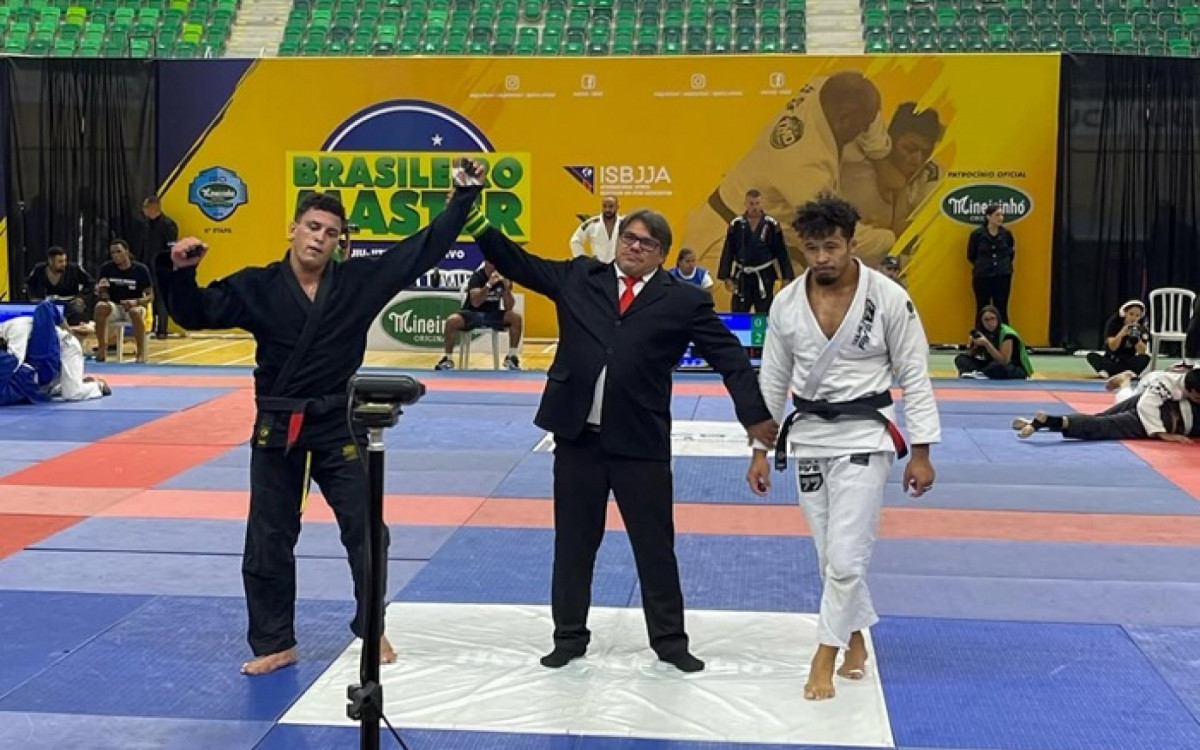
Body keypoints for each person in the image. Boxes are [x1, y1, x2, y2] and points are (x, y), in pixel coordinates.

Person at [157, 160, 486, 676]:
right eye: (312, 227)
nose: (319, 238)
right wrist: (180, 271)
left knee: (368, 531)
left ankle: (372, 628)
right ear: (293, 229)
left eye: (331, 233)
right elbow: (194, 313)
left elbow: (422, 248)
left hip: (337, 422)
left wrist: (463, 197)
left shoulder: (359, 282)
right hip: (279, 425)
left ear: (339, 242)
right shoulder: (257, 286)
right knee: (269, 536)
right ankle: (275, 641)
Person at [463, 201, 778, 673]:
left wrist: (754, 419)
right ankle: (569, 637)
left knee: (654, 546)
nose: (635, 247)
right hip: (578, 440)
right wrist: (473, 216)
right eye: (629, 238)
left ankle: (669, 641)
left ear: (662, 254)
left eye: (647, 243)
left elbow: (730, 358)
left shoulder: (683, 300)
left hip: (640, 441)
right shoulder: (579, 277)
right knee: (573, 544)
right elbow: (518, 262)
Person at [746, 195, 939, 701]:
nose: (822, 258)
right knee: (828, 552)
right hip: (809, 434)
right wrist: (759, 449)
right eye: (812, 249)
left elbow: (915, 374)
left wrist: (921, 450)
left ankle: (824, 654)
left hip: (865, 433)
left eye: (831, 247)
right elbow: (773, 379)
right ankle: (855, 638)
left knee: (848, 558)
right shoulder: (787, 302)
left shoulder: (889, 298)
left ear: (852, 243)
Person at [1013, 367, 1200, 443]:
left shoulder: (1191, 385)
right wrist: (1163, 434)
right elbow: (1145, 406)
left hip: (1161, 407)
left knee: (1100, 419)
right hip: (1148, 395)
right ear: (1190, 390)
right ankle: (1050, 421)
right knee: (1105, 425)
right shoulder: (1165, 384)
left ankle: (1043, 423)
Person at [434, 260, 523, 371]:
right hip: (472, 313)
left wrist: (506, 289)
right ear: (486, 264)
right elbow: (476, 302)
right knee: (451, 321)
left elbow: (509, 307)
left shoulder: (503, 278)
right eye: (492, 263)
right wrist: (488, 285)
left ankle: (511, 357)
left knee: (516, 318)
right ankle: (448, 359)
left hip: (492, 314)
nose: (494, 267)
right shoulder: (477, 277)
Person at [717, 189, 795, 313]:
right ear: (746, 204)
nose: (754, 207)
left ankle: (763, 327)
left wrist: (786, 276)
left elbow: (781, 252)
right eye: (751, 204)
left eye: (757, 203)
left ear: (761, 204)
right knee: (739, 312)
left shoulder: (771, 224)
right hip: (742, 276)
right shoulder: (736, 224)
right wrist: (726, 277)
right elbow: (728, 251)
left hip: (764, 275)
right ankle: (739, 327)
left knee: (764, 313)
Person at [94, 239, 154, 363]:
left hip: (134, 305)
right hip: (115, 306)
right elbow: (102, 292)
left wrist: (135, 302)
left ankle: (140, 352)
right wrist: (100, 290)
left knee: (135, 312)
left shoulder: (141, 270)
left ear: (126, 252)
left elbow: (150, 297)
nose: (115, 255)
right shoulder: (107, 268)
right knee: (100, 306)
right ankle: (102, 348)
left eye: (118, 252)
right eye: (112, 253)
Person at [135, 196, 180, 339]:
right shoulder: (145, 225)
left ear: (153, 208)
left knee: (161, 298)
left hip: (161, 268)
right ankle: (152, 326)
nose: (143, 211)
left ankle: (162, 329)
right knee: (150, 297)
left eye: (145, 207)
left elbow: (171, 249)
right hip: (147, 266)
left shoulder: (168, 225)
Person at [954, 305, 1032, 380]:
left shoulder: (1007, 334)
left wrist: (987, 344)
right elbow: (972, 355)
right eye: (986, 320)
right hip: (991, 363)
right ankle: (982, 373)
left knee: (996, 367)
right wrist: (974, 345)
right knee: (960, 359)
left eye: (993, 319)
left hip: (1012, 366)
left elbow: (1004, 361)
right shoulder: (983, 332)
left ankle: (980, 373)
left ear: (998, 319)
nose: (990, 322)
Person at [967, 205, 1015, 323]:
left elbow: (1010, 253)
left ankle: (1003, 333)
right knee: (982, 307)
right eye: (997, 215)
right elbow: (971, 255)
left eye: (1002, 215)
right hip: (983, 276)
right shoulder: (977, 235)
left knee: (1001, 307)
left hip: (1002, 275)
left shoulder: (1006, 234)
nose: (1000, 218)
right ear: (988, 217)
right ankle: (982, 333)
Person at [25, 246, 94, 324]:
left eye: (65, 261)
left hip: (70, 302)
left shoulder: (73, 269)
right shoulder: (39, 269)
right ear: (50, 261)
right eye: (60, 261)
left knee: (77, 309)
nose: (64, 264)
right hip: (48, 303)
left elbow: (90, 282)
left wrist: (81, 297)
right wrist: (34, 298)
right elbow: (29, 284)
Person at [1087, 300, 1151, 379]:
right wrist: (1121, 333)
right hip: (1112, 359)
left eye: (1137, 315)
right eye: (1131, 314)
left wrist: (1136, 338)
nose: (1133, 318)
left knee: (1144, 358)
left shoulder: (1142, 328)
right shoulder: (1113, 324)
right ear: (1125, 313)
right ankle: (1107, 371)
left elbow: (1141, 352)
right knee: (1092, 356)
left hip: (1128, 361)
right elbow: (1112, 348)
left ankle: (1129, 372)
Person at [569, 195, 622, 264]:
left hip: (619, 265)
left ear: (617, 207)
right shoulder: (592, 223)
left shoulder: (625, 223)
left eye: (611, 206)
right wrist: (582, 260)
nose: (607, 209)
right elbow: (575, 240)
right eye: (604, 206)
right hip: (597, 265)